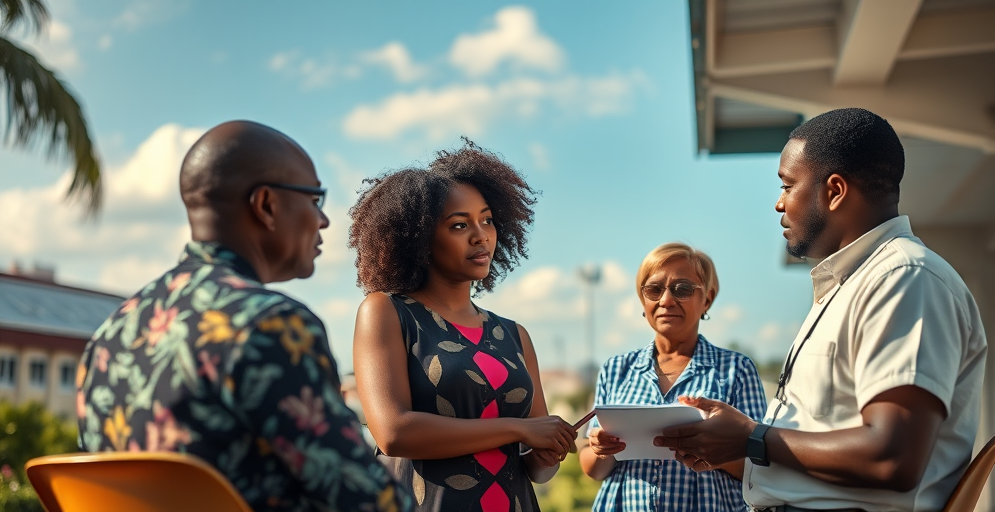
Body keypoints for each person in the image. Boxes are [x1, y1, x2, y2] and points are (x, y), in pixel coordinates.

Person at [655, 108, 988, 512]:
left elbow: (891, 458)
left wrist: (752, 437)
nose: (779, 203)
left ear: (834, 191)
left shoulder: (905, 278)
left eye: (787, 185)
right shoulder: (851, 285)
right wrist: (725, 445)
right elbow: (812, 455)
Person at [76, 121, 411, 512]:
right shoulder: (271, 325)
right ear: (266, 205)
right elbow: (372, 502)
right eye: (314, 199)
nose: (323, 220)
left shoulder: (110, 335)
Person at [349, 140, 576, 512]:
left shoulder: (515, 335)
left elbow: (537, 469)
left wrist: (549, 451)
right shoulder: (386, 311)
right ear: (420, 237)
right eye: (459, 225)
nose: (480, 235)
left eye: (487, 220)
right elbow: (393, 432)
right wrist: (519, 429)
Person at [580, 242, 767, 512]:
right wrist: (601, 449)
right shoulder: (616, 369)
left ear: (707, 299)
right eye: (654, 289)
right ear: (643, 299)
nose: (666, 300)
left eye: (682, 289)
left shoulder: (736, 370)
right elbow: (593, 469)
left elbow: (760, 468)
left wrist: (709, 450)